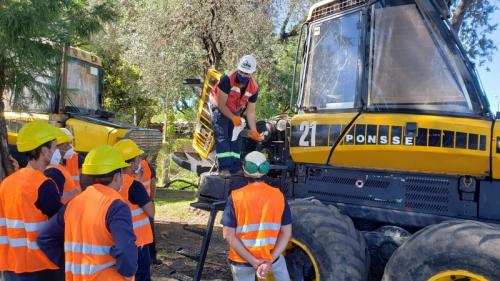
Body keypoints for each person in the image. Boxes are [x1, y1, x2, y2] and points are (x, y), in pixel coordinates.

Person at [37, 145, 138, 280]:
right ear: (117, 177)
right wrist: (126, 272)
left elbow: (44, 238)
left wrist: (68, 263)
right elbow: (126, 251)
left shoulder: (73, 204)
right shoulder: (115, 206)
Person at [0, 121, 64, 281]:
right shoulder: (43, 184)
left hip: (10, 265)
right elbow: (62, 221)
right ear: (44, 151)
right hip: (40, 266)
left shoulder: (6, 183)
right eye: (54, 147)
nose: (56, 151)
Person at [221, 151, 292, 281]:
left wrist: (254, 262)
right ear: (265, 171)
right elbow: (286, 233)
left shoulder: (236, 197)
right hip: (272, 260)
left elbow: (228, 235)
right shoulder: (278, 196)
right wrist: (269, 260)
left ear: (244, 170)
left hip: (241, 261)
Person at [209, 55, 262, 177]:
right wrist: (233, 118)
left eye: (246, 74)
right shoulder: (227, 79)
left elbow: (251, 111)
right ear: (238, 69)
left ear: (251, 73)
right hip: (219, 106)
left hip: (235, 109)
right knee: (223, 137)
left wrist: (254, 131)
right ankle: (224, 168)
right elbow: (221, 105)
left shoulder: (254, 88)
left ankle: (235, 168)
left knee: (236, 138)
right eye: (241, 72)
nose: (243, 75)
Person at [114, 140, 155, 281]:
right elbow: (151, 212)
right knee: (141, 275)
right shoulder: (135, 185)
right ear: (131, 164)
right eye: (137, 159)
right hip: (139, 242)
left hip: (119, 240)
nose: (139, 163)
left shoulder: (113, 182)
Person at [44, 128, 81, 204]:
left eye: (70, 143)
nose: (70, 147)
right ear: (56, 147)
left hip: (73, 205)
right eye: (66, 145)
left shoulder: (73, 158)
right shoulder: (48, 168)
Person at [136, 158, 162, 265]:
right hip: (146, 203)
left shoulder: (124, 167)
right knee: (149, 231)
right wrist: (151, 200)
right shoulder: (146, 165)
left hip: (136, 204)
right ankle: (152, 256)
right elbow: (152, 183)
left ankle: (150, 256)